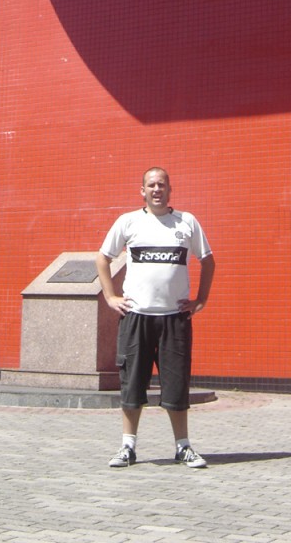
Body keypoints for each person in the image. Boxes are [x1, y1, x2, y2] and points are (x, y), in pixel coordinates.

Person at [96, 167, 215, 469]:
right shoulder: (129, 222)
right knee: (131, 383)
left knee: (176, 386)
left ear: (170, 189)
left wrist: (200, 300)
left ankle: (183, 447)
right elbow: (103, 258)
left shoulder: (186, 222)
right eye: (151, 185)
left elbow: (208, 260)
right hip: (136, 317)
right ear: (142, 191)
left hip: (174, 319)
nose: (157, 189)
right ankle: (127, 447)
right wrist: (110, 297)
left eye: (162, 185)